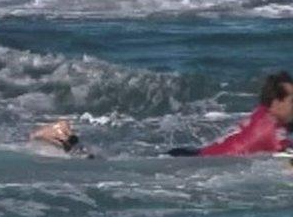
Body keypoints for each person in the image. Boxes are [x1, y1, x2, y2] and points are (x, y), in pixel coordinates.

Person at [31, 71, 293, 158]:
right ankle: (64, 139)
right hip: (194, 162)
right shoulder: (271, 131)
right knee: (106, 165)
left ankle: (67, 139)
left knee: (115, 160)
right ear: (277, 101)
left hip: (194, 153)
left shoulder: (263, 114)